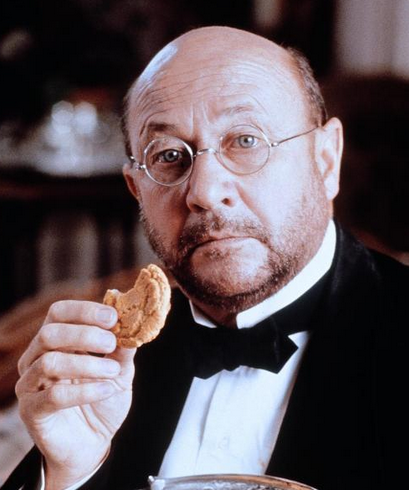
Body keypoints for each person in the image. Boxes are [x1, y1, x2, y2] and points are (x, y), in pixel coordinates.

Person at [4, 26, 407, 490]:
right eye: (168, 155)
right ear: (136, 189)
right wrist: (70, 474)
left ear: (326, 159)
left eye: (246, 141)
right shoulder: (114, 362)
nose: (205, 191)